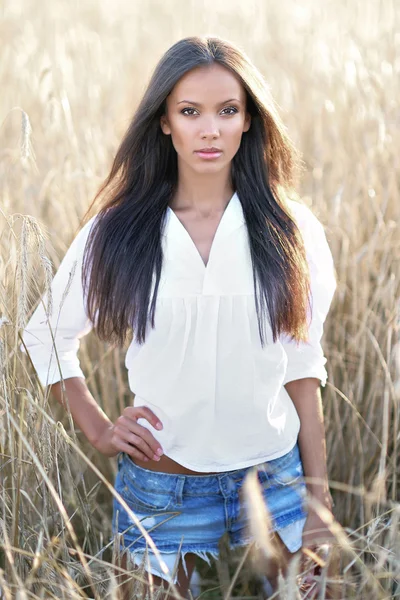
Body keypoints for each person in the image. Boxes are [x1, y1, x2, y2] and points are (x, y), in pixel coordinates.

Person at [20, 36, 337, 599]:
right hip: (165, 491)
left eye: (227, 111)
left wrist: (319, 501)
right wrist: (97, 427)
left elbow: (301, 364)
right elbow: (46, 333)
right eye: (190, 112)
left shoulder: (291, 230)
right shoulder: (118, 231)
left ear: (248, 122)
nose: (209, 129)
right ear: (164, 122)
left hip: (276, 485)